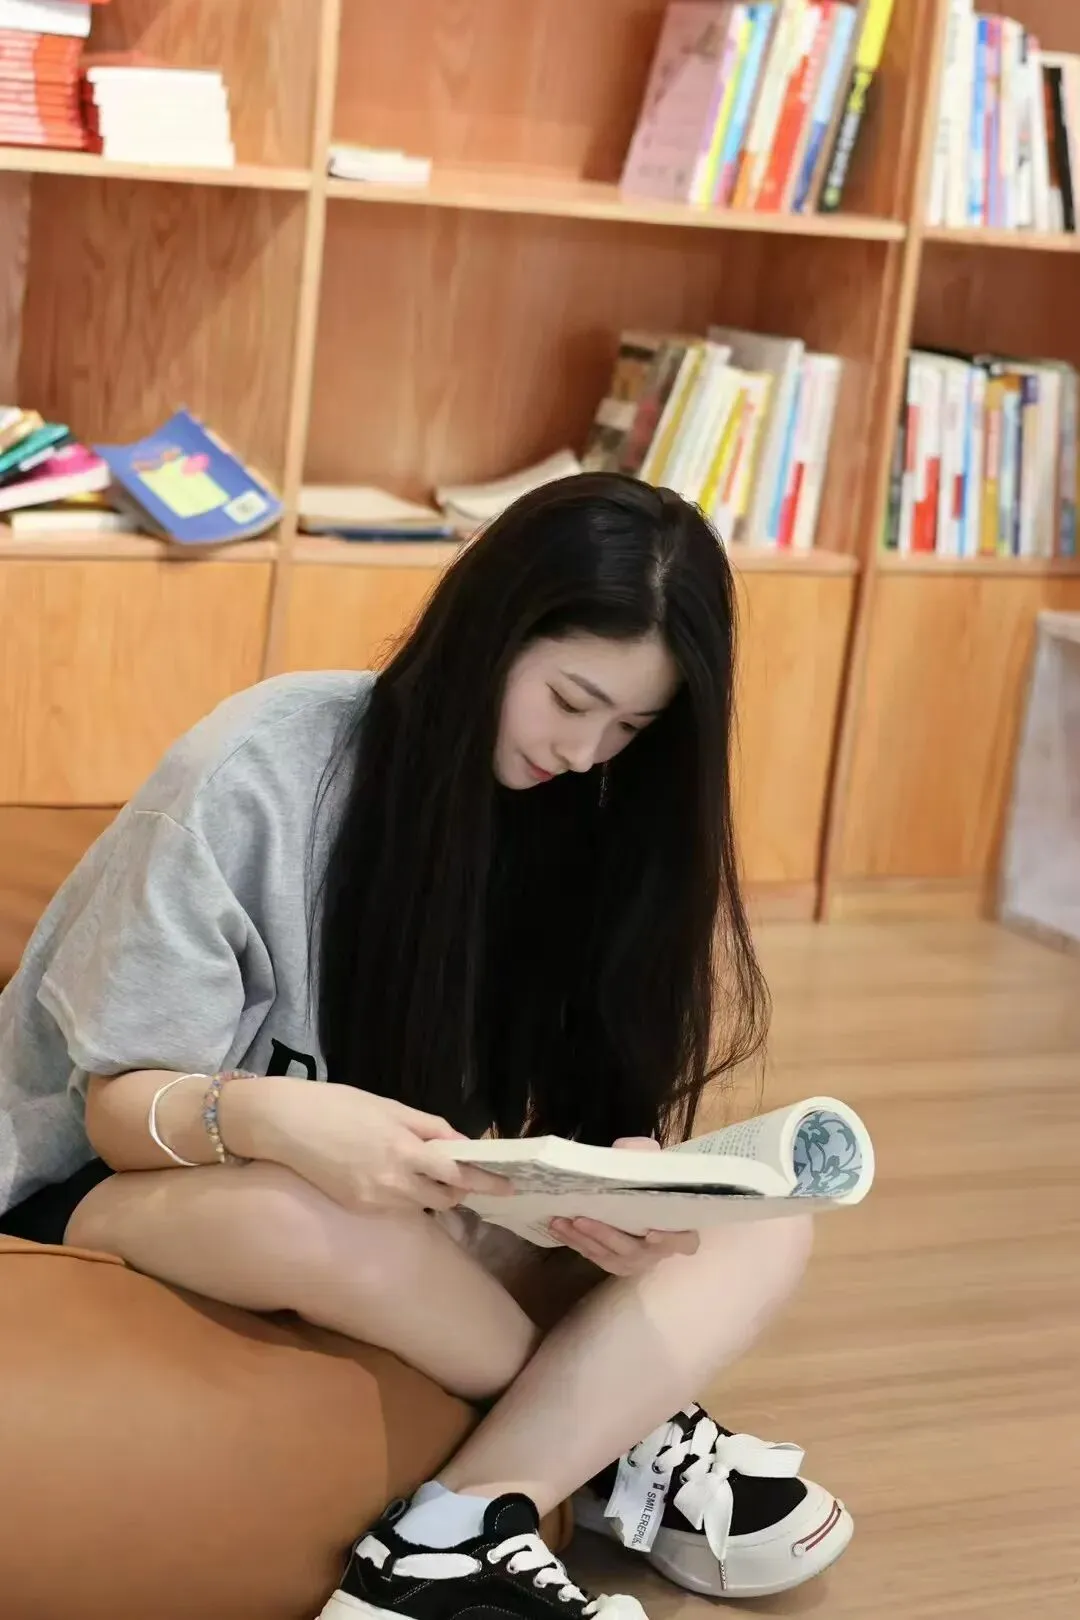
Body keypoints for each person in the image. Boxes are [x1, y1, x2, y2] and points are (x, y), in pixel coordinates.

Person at [0, 473, 851, 1620]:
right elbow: (112, 1115)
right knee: (303, 1216)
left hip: (411, 1211)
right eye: (571, 699)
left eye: (631, 729)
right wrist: (276, 1118)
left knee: (767, 1223)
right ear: (490, 630)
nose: (586, 750)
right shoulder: (259, 770)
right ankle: (628, 1437)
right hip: (120, 1188)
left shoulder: (598, 820)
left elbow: (565, 1113)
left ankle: (453, 1529)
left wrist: (622, 1185)